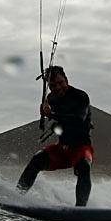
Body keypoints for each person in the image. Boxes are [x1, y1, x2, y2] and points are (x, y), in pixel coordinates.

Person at [16, 66, 94, 206]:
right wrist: (52, 120)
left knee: (84, 165)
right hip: (62, 148)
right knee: (38, 158)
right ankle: (16, 197)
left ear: (66, 80)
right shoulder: (51, 98)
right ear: (49, 86)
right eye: (53, 85)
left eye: (60, 82)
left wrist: (50, 115)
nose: (58, 87)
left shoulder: (81, 96)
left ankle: (81, 209)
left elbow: (77, 119)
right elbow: (62, 119)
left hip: (81, 147)